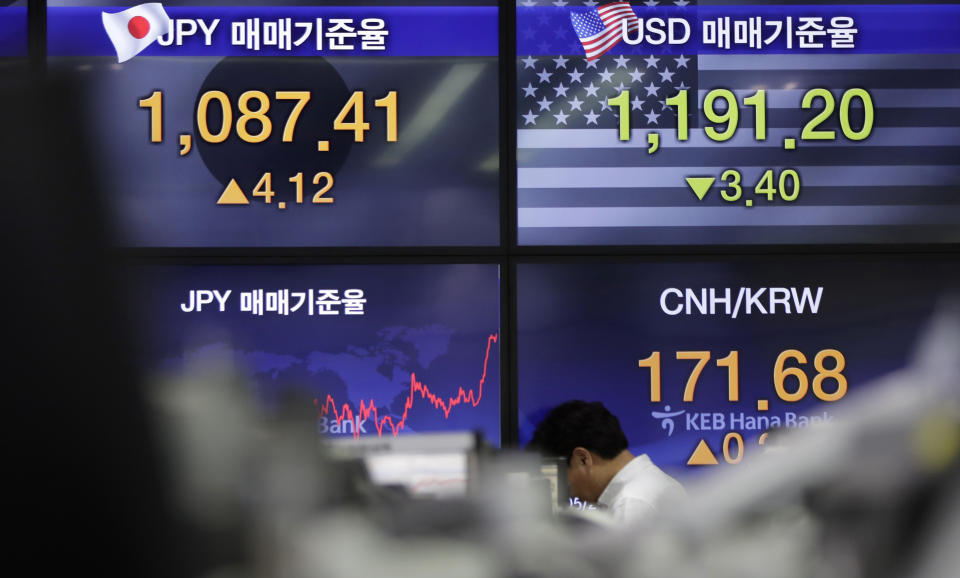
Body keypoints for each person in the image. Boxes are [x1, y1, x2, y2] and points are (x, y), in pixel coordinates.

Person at [528, 400, 685, 524]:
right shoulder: (650, 484)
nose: (569, 493)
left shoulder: (631, 504)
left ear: (582, 459)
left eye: (561, 477)